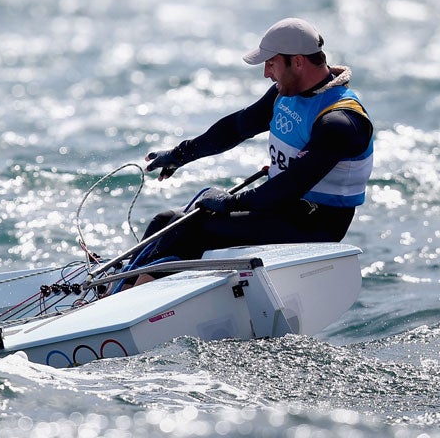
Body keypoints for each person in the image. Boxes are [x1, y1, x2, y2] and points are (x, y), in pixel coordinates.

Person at [139, 17, 373, 265]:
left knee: (188, 229)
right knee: (164, 221)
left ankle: (135, 296)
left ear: (297, 61)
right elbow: (236, 128)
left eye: (271, 64)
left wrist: (230, 203)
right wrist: (179, 155)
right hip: (279, 211)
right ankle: (115, 289)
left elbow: (290, 186)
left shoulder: (340, 121)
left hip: (312, 227)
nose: (266, 74)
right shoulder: (285, 95)